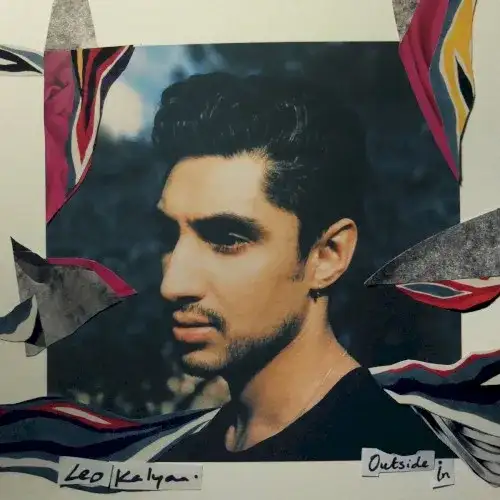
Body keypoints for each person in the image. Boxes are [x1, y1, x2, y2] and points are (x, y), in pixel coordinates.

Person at [151, 72, 453, 461]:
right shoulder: (176, 458)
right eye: (168, 236)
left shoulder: (399, 458)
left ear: (327, 255)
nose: (173, 284)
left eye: (227, 239)